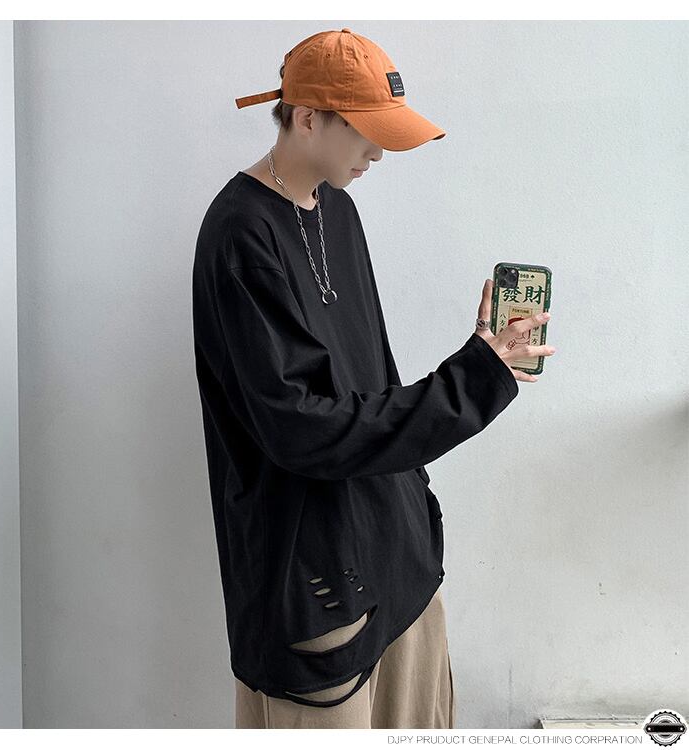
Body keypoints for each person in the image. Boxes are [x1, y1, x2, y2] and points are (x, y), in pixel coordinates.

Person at [192, 28, 556, 729]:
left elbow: (370, 384)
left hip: (400, 564)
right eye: (366, 132)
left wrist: (479, 365)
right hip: (316, 587)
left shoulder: (338, 208)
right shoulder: (240, 235)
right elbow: (302, 431)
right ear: (307, 118)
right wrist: (472, 381)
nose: (380, 153)